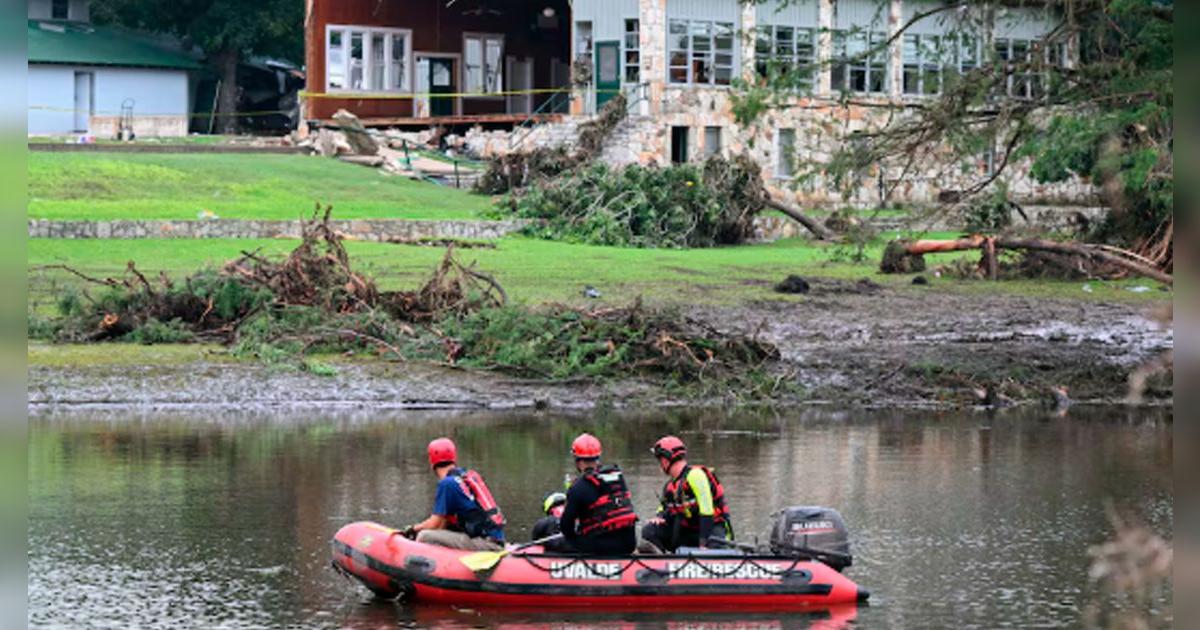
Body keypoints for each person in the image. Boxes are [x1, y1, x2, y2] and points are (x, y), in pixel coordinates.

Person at [405, 437, 506, 551]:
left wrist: (413, 529)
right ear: (454, 457)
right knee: (441, 530)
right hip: (495, 539)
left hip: (486, 544)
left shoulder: (447, 484)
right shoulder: (465, 476)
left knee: (424, 536)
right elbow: (442, 524)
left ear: (431, 460)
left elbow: (434, 524)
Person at [641, 435, 733, 553]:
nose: (660, 464)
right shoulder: (670, 486)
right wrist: (659, 518)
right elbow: (663, 509)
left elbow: (707, 511)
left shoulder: (695, 475)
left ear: (665, 460)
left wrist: (703, 545)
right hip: (688, 533)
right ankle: (663, 563)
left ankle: (714, 555)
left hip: (712, 532)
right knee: (650, 530)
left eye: (659, 460)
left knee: (710, 546)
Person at [558, 433, 638, 555]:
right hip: (629, 544)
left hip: (600, 547)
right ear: (598, 458)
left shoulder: (577, 487)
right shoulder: (618, 478)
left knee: (558, 543)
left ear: (577, 460)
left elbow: (566, 528)